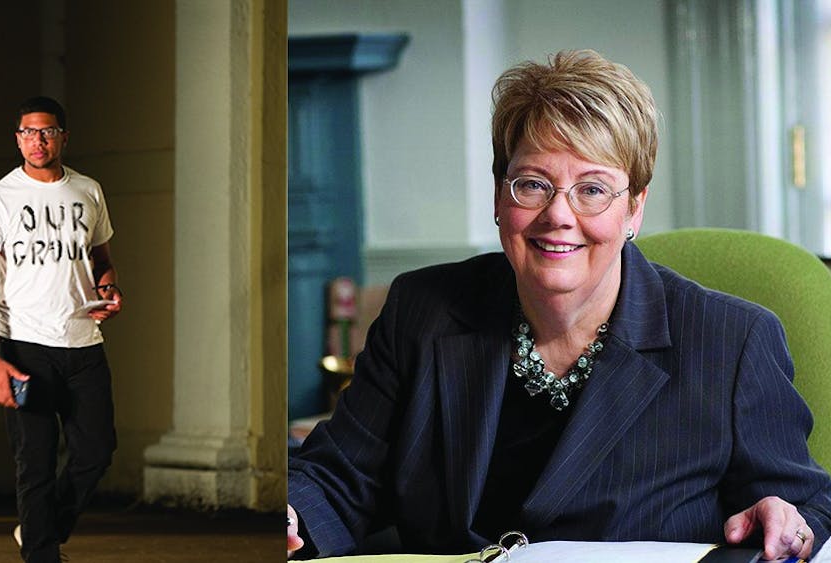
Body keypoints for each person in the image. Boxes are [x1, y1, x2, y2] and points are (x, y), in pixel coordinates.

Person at [287, 50, 831, 560]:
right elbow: (339, 478)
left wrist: (790, 520)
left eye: (592, 189)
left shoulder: (731, 341)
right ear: (501, 195)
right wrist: (287, 514)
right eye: (533, 185)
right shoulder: (422, 310)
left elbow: (801, 505)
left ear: (634, 208)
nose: (558, 216)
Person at [0, 96, 122, 563]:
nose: (38, 141)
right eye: (29, 133)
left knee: (97, 451)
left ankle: (40, 529)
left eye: (47, 131)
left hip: (83, 345)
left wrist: (111, 291)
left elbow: (102, 260)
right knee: (34, 463)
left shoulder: (88, 191)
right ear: (17, 139)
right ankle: (41, 553)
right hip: (23, 349)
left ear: (63, 137)